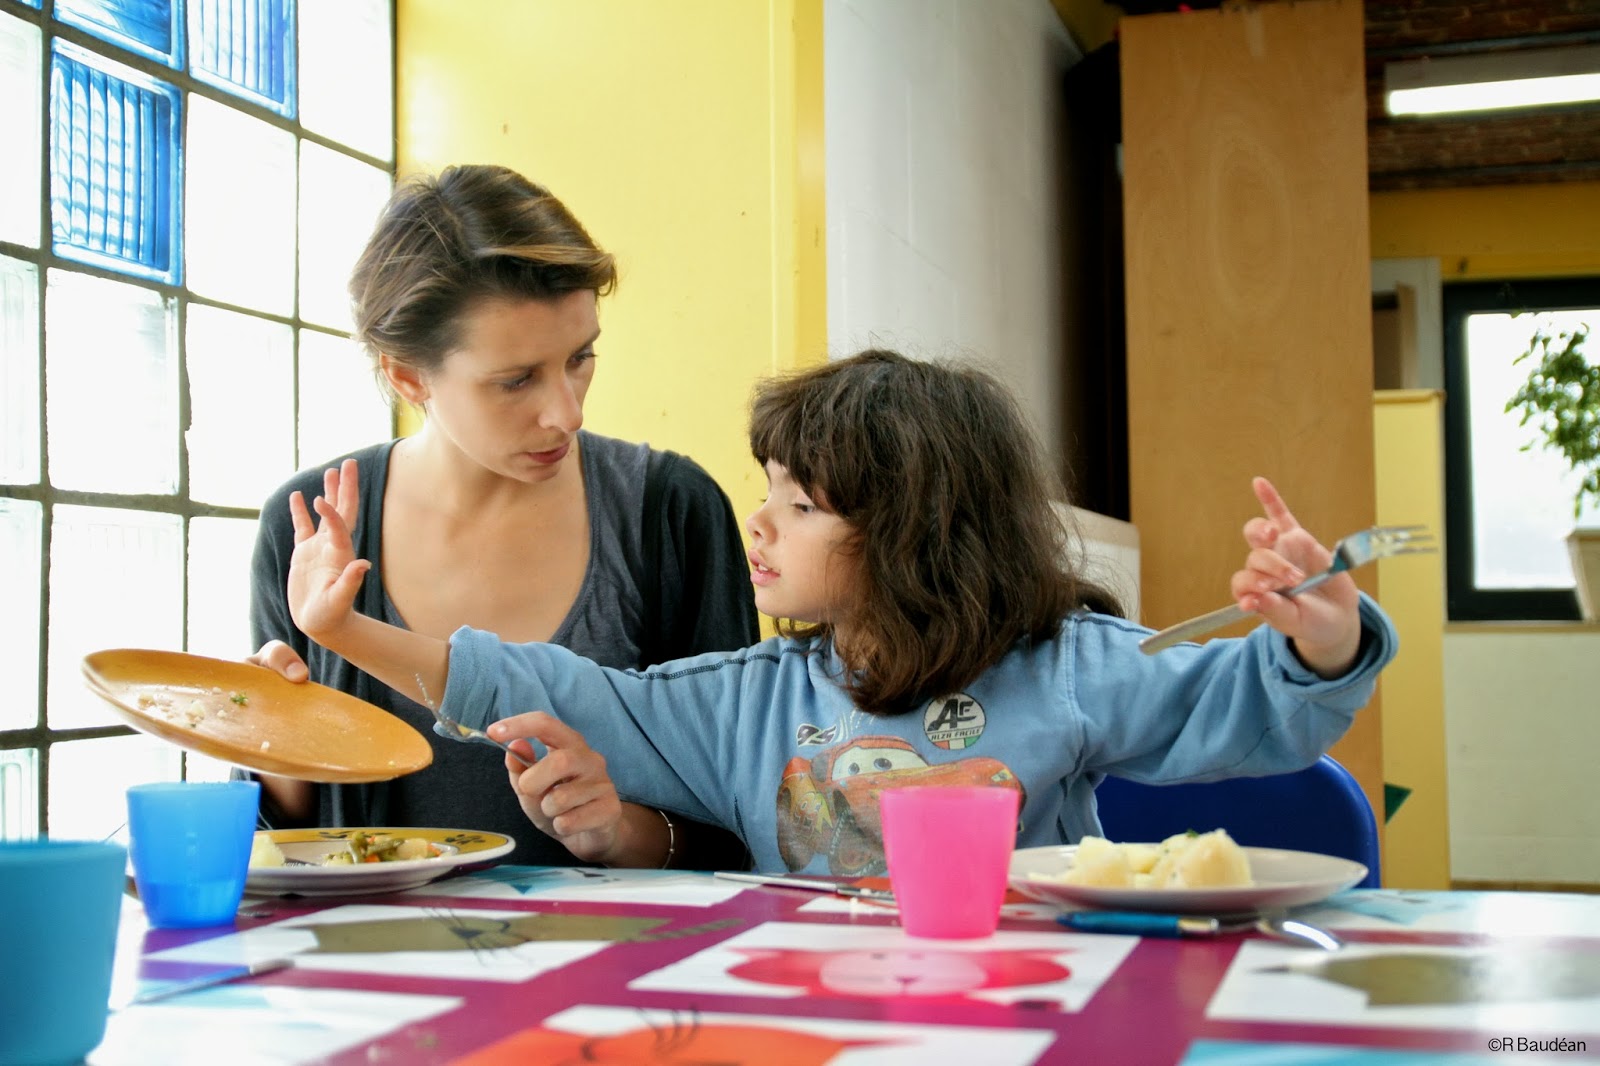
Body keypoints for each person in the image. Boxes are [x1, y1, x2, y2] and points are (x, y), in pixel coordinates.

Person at [280, 349, 1399, 877]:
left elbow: (1251, 706)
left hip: (1033, 1019)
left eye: (800, 504)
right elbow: (561, 688)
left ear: (914, 528)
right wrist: (350, 633)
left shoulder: (1063, 668)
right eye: (767, 492)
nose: (757, 526)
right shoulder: (748, 700)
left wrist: (1322, 632)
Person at [248, 164, 759, 870]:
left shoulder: (670, 513)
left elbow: (744, 815)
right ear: (406, 376)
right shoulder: (306, 525)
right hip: (374, 972)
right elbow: (294, 840)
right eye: (516, 380)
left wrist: (617, 831)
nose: (567, 413)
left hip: (619, 969)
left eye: (581, 358)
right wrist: (269, 733)